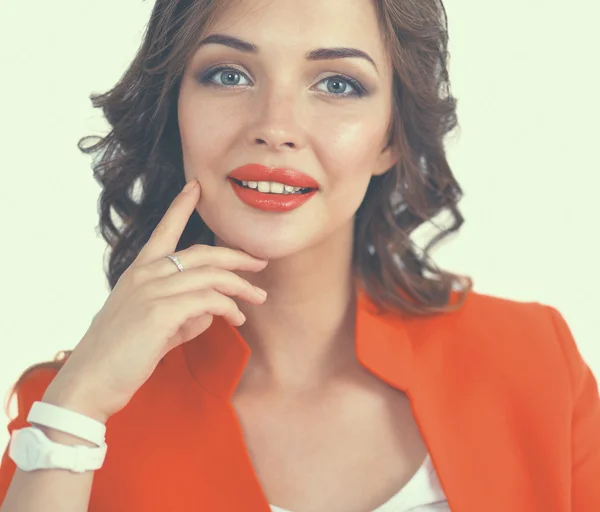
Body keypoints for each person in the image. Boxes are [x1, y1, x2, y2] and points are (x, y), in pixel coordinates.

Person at [1, 0, 599, 510]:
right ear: (174, 112)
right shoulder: (71, 409)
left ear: (390, 135)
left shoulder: (535, 358)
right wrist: (72, 414)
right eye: (229, 75)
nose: (276, 126)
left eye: (338, 83)